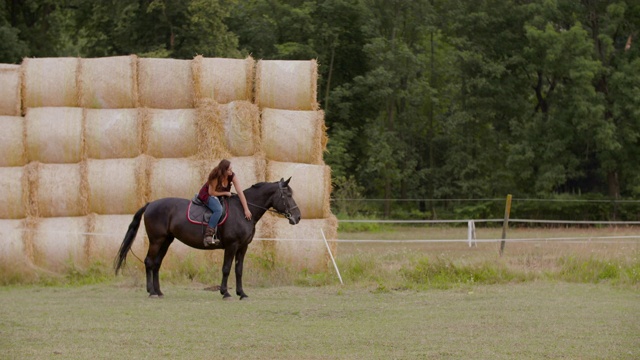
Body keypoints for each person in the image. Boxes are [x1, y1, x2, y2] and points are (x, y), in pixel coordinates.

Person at [197, 159, 252, 246]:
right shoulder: (215, 176)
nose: (231, 171)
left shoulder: (232, 175)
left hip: (218, 196)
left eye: (231, 169)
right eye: (229, 170)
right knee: (218, 210)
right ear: (223, 171)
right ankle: (208, 235)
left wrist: (246, 209)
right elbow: (211, 193)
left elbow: (240, 192)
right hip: (207, 195)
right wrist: (225, 193)